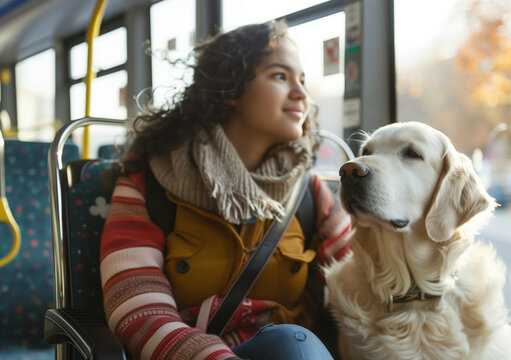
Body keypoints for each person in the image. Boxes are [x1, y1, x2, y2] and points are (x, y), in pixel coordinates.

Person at [99, 21, 351, 360]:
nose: (302, 95)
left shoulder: (308, 191)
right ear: (231, 89)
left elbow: (361, 282)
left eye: (303, 81)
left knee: (293, 342)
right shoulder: (150, 181)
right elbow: (136, 304)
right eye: (280, 76)